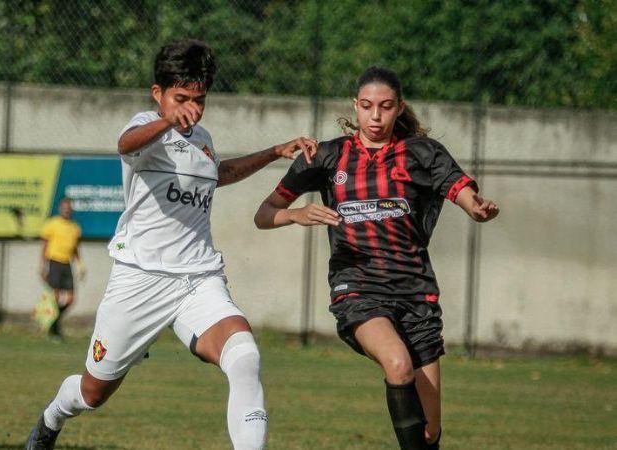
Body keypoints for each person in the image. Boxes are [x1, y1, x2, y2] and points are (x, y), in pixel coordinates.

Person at [24, 39, 317, 450]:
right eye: (182, 98)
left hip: (197, 278)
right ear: (157, 93)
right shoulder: (146, 127)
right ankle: (51, 418)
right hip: (139, 280)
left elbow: (218, 173)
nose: (192, 109)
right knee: (92, 394)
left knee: (244, 355)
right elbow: (125, 145)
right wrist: (168, 120)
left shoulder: (202, 137)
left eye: (199, 100)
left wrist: (274, 152)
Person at [254, 66, 499, 450]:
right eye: (367, 106)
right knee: (397, 365)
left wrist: (475, 207)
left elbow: (459, 189)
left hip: (416, 293)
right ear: (356, 106)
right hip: (358, 288)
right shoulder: (327, 156)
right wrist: (295, 215)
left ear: (399, 108)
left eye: (385, 107)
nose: (375, 116)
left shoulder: (421, 154)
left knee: (430, 429)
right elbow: (264, 213)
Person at [39, 197, 84, 339]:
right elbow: (45, 245)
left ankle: (54, 323)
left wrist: (80, 265)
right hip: (54, 262)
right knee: (56, 297)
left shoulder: (75, 228)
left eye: (69, 207)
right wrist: (42, 265)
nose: (66, 209)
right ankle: (55, 329)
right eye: (64, 207)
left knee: (71, 299)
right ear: (60, 208)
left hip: (67, 263)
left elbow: (75, 249)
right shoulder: (52, 224)